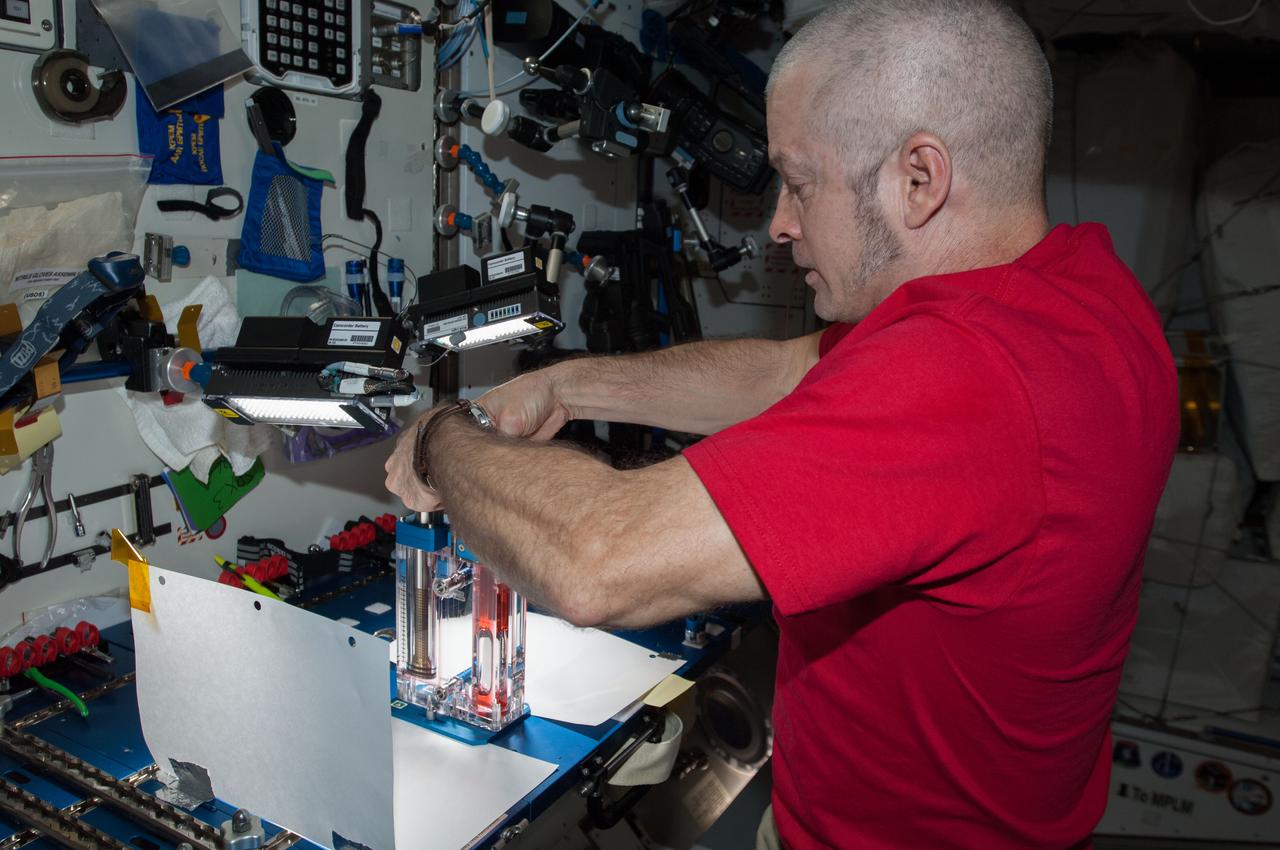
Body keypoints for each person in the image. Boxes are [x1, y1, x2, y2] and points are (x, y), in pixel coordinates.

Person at [385, 0, 1179, 846]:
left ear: (921, 178)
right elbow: (799, 371)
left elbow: (597, 559)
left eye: (800, 183)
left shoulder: (972, 375)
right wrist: (567, 388)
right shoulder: (1082, 294)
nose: (780, 225)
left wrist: (443, 438)